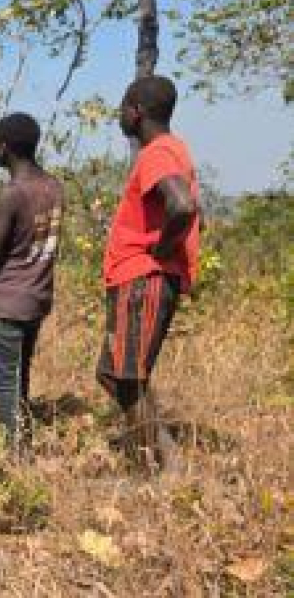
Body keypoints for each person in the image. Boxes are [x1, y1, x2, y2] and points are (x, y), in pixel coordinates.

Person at [101, 75, 199, 473]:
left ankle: (159, 470)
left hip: (145, 278)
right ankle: (165, 459)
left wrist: (157, 252)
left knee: (125, 377)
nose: (120, 115)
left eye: (123, 107)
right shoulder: (173, 150)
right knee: (115, 373)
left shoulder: (157, 153)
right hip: (144, 277)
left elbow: (182, 207)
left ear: (136, 110)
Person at [0, 113, 63, 453]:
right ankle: (22, 440)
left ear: (5, 147)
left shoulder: (10, 194)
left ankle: (15, 453)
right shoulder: (54, 186)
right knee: (19, 374)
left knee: (4, 383)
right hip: (36, 297)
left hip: (5, 301)